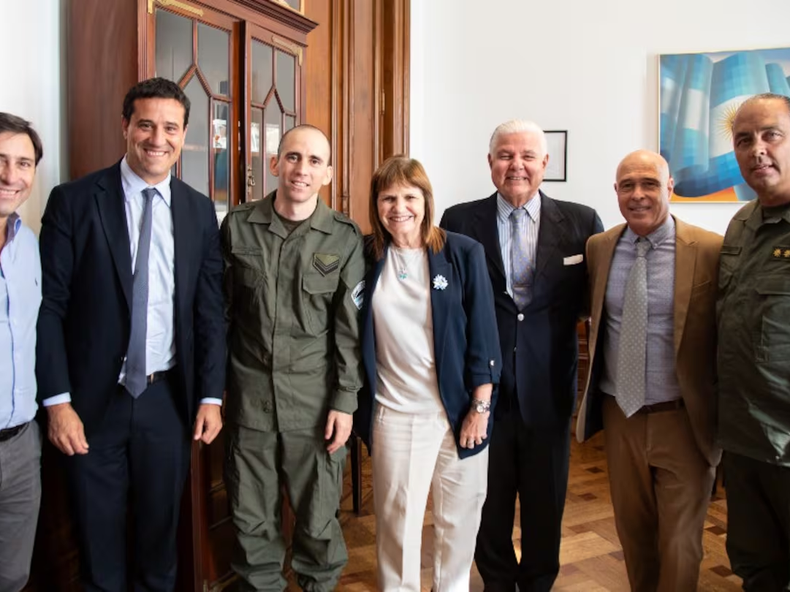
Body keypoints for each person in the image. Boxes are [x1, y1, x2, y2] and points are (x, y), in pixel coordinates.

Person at [36, 77, 226, 592]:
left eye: (170, 127)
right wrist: (57, 402)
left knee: (158, 548)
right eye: (145, 124)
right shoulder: (74, 201)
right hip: (90, 407)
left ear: (185, 135)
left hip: (168, 402)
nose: (156, 138)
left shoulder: (198, 210)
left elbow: (210, 312)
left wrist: (210, 395)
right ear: (125, 127)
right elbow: (50, 308)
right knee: (99, 550)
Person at [440, 119, 602, 591]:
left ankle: (537, 584)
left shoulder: (582, 222)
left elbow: (597, 303)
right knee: (485, 503)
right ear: (490, 163)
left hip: (549, 388)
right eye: (506, 155)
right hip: (479, 393)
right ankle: (495, 582)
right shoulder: (457, 220)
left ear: (545, 164)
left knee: (545, 503)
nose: (517, 165)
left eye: (528, 156)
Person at [222, 124, 364, 591]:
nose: (302, 169)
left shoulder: (343, 238)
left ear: (327, 173)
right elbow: (219, 315)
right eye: (293, 157)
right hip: (249, 403)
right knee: (251, 523)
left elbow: (349, 330)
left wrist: (345, 403)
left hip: (315, 406)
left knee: (319, 524)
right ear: (275, 163)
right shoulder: (238, 225)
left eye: (314, 161)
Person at [354, 155, 501, 591]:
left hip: (460, 412)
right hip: (396, 414)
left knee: (460, 519)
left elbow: (484, 335)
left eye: (409, 196)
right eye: (388, 198)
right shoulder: (363, 255)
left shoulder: (460, 252)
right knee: (398, 527)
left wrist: (480, 407)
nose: (399, 207)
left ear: (426, 200)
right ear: (376, 204)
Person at [576, 150, 721, 591]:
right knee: (634, 535)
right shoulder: (599, 248)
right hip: (621, 416)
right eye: (627, 186)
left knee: (680, 543)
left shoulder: (711, 249)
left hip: (684, 419)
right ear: (615, 192)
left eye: (649, 184)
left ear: (670, 188)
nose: (637, 195)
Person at [718, 92, 790, 591]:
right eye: (745, 140)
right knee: (756, 567)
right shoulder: (741, 223)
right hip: (743, 440)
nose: (757, 149)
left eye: (771, 135)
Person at [0, 113, 44, 592]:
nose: (10, 176)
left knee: (12, 576)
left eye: (23, 163)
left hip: (20, 445)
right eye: (0, 160)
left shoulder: (27, 245)